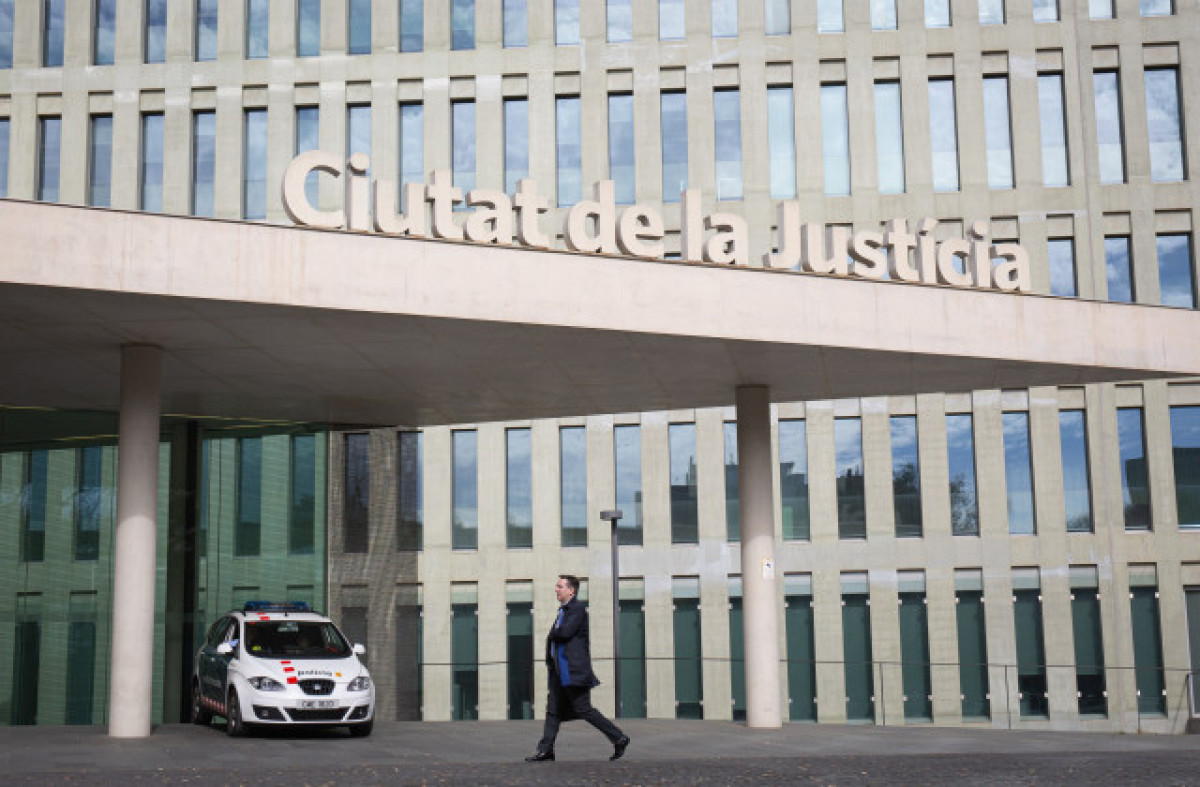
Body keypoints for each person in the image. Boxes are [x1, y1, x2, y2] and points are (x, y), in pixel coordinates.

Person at [525, 574, 630, 762]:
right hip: (559, 672)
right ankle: (546, 750)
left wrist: (553, 633)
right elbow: (557, 636)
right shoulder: (564, 611)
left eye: (560, 586)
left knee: (584, 709)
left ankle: (619, 738)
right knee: (553, 711)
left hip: (573, 672)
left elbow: (564, 633)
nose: (556, 590)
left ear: (571, 590)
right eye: (556, 586)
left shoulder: (577, 609)